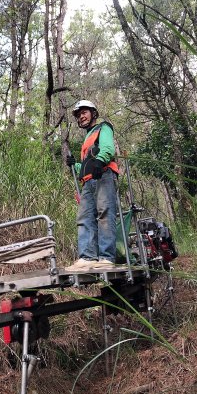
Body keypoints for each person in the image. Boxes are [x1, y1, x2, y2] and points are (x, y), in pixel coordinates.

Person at [65, 100, 119, 271]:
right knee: (85, 217)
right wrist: (76, 165)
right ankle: (87, 257)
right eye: (79, 114)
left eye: (84, 112)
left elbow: (108, 149)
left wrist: (100, 161)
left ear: (93, 113)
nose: (81, 116)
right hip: (88, 180)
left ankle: (106, 257)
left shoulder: (104, 127)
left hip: (104, 175)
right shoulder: (87, 138)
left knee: (105, 212)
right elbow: (87, 165)